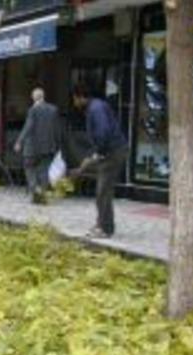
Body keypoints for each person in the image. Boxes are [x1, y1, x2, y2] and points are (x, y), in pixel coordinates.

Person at [69, 84, 129, 239]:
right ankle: (102, 223)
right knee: (103, 190)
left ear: (80, 97)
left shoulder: (96, 109)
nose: (74, 103)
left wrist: (99, 153)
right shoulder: (95, 107)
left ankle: (105, 228)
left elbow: (103, 132)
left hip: (113, 152)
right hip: (111, 151)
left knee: (103, 191)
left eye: (74, 99)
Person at [15, 87, 62, 204]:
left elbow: (28, 127)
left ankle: (35, 188)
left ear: (33, 97)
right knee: (44, 171)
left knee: (29, 168)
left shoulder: (33, 110)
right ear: (43, 96)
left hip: (32, 148)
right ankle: (42, 196)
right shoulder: (53, 109)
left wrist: (19, 141)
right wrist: (57, 145)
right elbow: (57, 130)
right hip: (48, 147)